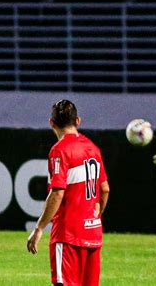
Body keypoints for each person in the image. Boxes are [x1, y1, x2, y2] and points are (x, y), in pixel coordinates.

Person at [27, 99, 110, 286]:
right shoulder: (93, 149)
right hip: (93, 234)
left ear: (52, 124)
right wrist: (94, 217)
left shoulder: (60, 150)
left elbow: (57, 193)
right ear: (78, 121)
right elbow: (105, 189)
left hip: (68, 235)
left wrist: (39, 228)